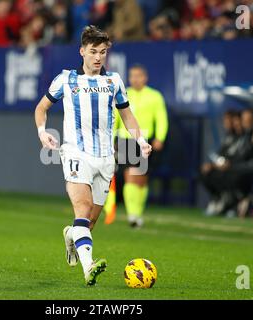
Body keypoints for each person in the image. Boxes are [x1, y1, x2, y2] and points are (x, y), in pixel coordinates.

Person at [34, 25, 152, 286]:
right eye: (93, 52)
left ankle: (71, 235)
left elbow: (126, 115)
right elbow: (41, 108)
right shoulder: (65, 79)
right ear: (82, 51)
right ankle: (89, 268)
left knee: (89, 221)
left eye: (103, 52)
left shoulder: (114, 81)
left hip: (105, 159)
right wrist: (43, 131)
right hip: (76, 153)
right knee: (83, 207)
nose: (98, 57)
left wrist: (141, 140)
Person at [114, 64, 168, 228]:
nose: (135, 79)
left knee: (142, 180)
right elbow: (117, 116)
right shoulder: (124, 93)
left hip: (145, 141)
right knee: (131, 174)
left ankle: (138, 213)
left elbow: (161, 117)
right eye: (132, 76)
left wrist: (160, 137)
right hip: (126, 140)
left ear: (145, 77)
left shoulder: (154, 96)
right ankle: (132, 215)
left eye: (139, 76)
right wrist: (111, 137)